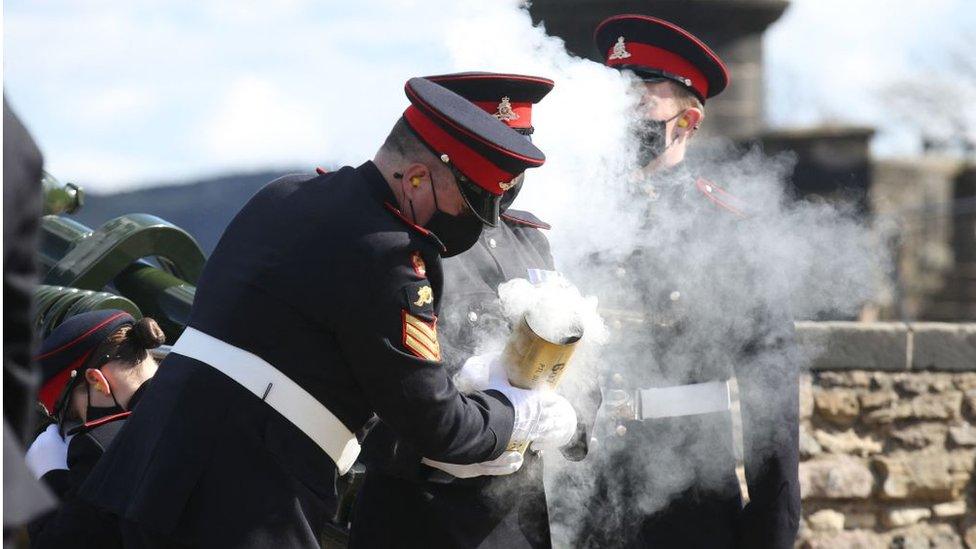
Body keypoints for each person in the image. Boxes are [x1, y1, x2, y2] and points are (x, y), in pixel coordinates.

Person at [79, 77, 579, 548]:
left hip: (149, 464)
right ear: (418, 176)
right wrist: (517, 414)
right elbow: (435, 421)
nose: (470, 224)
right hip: (243, 494)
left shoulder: (286, 194)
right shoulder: (388, 256)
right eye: (466, 201)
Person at [573, 14, 800, 549]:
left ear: (689, 120)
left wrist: (770, 533)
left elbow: (772, 403)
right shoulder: (572, 211)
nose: (621, 114)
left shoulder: (728, 228)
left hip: (689, 499)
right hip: (580, 490)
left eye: (641, 100)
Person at [353, 72, 599, 549]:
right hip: (414, 514)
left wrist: (570, 421)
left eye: (516, 153)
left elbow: (580, 356)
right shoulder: (404, 240)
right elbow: (363, 379)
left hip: (514, 519)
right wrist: (427, 451)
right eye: (494, 157)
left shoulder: (532, 243)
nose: (506, 174)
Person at [25, 310, 163, 547]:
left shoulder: (98, 448)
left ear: (98, 381)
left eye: (75, 414)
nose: (82, 424)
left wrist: (49, 478)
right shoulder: (206, 399)